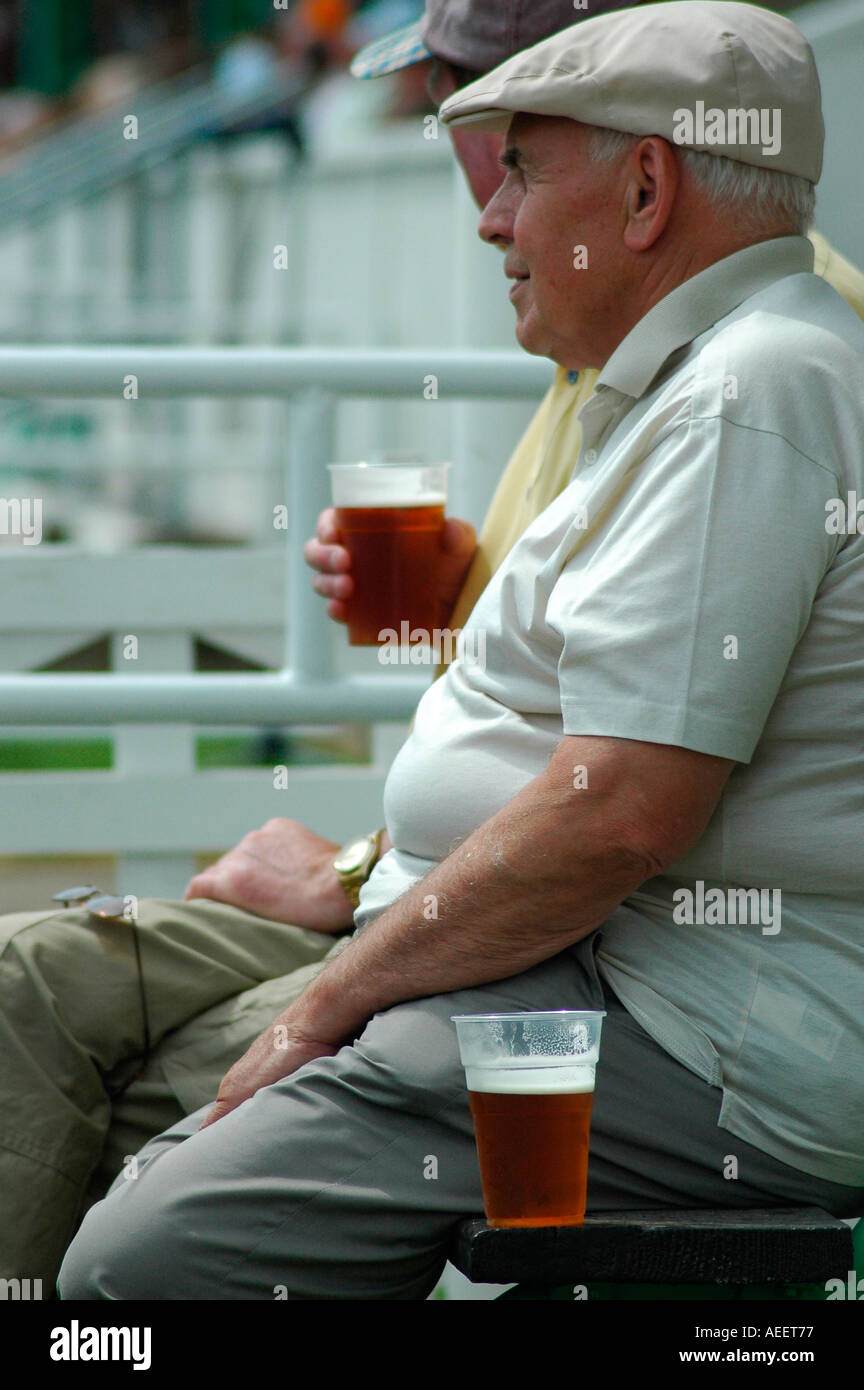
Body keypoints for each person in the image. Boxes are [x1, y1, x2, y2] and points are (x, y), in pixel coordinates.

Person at [2, 0, 863, 1290]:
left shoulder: (753, 393)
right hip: (581, 975)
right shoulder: (698, 377)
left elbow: (619, 812)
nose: (488, 215)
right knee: (108, 1094)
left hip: (686, 1030)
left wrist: (327, 1002)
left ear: (645, 189)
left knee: (138, 1267)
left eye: (521, 165)